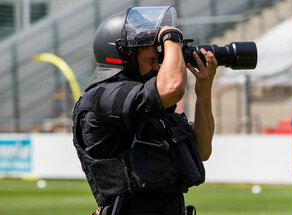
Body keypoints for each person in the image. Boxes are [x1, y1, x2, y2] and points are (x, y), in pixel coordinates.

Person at [72, 7, 217, 215]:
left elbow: (202, 150)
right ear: (126, 58)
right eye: (151, 61)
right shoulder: (103, 96)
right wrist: (171, 37)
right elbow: (173, 88)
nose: (158, 67)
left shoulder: (146, 104)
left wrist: (204, 91)